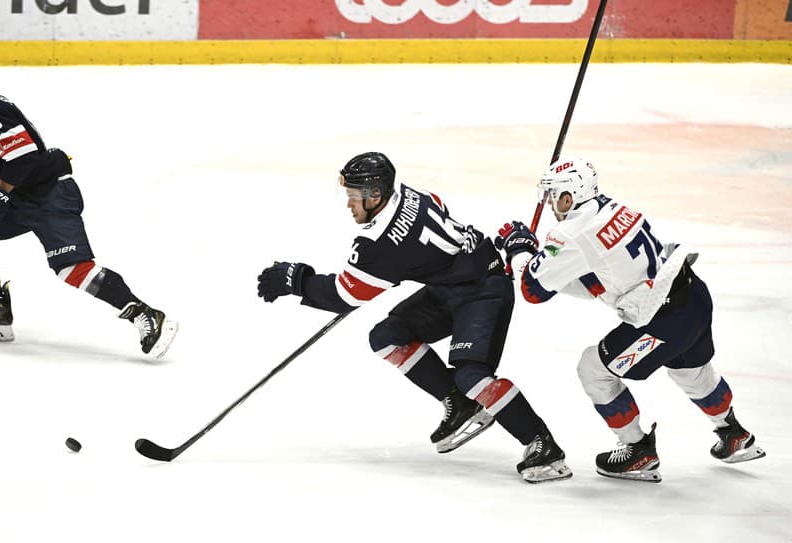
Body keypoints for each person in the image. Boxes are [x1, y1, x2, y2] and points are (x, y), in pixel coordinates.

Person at [256, 151, 572, 483]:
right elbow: (435, 211)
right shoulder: (407, 193)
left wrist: (296, 280)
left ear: (375, 195)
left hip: (484, 289)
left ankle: (542, 444)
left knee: (473, 376)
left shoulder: (379, 245)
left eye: (353, 196)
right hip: (453, 283)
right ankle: (460, 404)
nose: (349, 204)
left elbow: (346, 295)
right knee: (387, 336)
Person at [496, 156, 765, 483]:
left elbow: (533, 292)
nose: (552, 204)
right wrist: (539, 265)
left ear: (569, 196)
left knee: (593, 369)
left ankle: (637, 450)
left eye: (554, 196)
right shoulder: (613, 209)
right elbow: (594, 279)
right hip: (693, 296)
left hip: (663, 321)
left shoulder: (570, 233)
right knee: (692, 373)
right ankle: (734, 434)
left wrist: (521, 251)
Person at [0, 59, 177, 358]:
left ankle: (146, 315)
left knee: (71, 269)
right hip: (19, 197)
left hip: (49, 195)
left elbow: (25, 158)